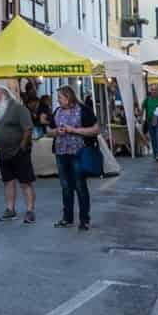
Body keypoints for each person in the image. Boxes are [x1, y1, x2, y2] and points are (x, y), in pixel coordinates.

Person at [51, 85, 99, 231]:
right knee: (65, 186)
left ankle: (84, 219)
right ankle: (67, 218)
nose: (58, 100)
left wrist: (74, 130)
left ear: (68, 97)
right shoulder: (57, 111)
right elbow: (49, 131)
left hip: (79, 152)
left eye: (60, 97)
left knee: (80, 186)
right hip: (61, 152)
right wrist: (56, 132)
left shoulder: (83, 110)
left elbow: (96, 129)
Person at [0, 84, 37, 223]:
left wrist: (22, 146)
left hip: (18, 152)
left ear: (5, 95)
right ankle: (10, 210)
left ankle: (30, 211)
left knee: (25, 182)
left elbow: (28, 128)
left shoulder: (18, 108)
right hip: (4, 153)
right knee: (8, 182)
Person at [142, 87, 158, 161]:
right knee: (153, 138)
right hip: (149, 121)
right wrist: (140, 117)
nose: (154, 91)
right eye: (152, 90)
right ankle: (155, 154)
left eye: (155, 90)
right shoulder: (147, 99)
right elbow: (143, 107)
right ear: (150, 91)